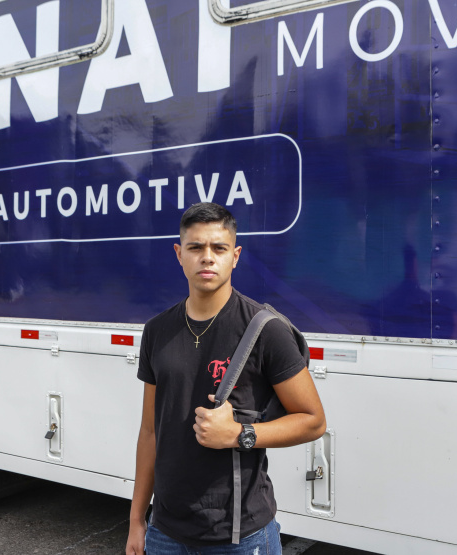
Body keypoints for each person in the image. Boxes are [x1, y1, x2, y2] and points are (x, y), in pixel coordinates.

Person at [125, 202, 327, 554]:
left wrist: (239, 434)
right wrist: (136, 521)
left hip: (242, 535)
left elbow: (313, 421)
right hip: (165, 532)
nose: (207, 257)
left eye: (218, 248)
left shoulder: (265, 330)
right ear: (179, 254)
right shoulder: (156, 331)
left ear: (234, 256)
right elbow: (150, 431)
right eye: (196, 247)